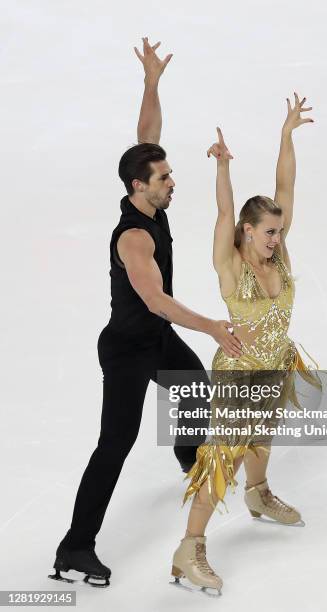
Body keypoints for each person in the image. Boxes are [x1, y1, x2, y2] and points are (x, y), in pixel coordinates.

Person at [49, 37, 242, 588]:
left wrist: (151, 81)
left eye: (170, 174)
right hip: (129, 348)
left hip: (154, 337)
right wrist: (210, 326)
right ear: (140, 186)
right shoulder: (134, 236)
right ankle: (75, 547)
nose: (172, 181)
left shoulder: (144, 190)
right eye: (164, 179)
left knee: (193, 386)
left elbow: (147, 135)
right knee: (116, 443)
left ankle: (187, 458)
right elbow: (155, 299)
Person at [170, 94, 322, 595]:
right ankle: (188, 548)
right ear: (248, 232)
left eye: (280, 230)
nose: (279, 238)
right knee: (222, 457)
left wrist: (285, 135)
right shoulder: (232, 267)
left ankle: (259, 496)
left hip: (275, 363)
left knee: (264, 435)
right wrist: (223, 167)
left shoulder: (276, 257)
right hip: (239, 375)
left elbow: (286, 186)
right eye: (270, 232)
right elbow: (223, 209)